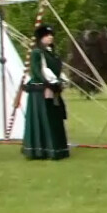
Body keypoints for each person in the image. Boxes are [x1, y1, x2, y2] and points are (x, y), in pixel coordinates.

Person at [22, 24, 69, 160]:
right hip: (41, 91)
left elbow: (58, 70)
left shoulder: (52, 53)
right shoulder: (37, 52)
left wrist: (60, 80)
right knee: (44, 119)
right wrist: (49, 82)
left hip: (53, 88)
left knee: (54, 118)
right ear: (41, 38)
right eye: (47, 35)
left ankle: (57, 149)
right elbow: (37, 70)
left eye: (51, 35)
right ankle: (41, 150)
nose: (50, 37)